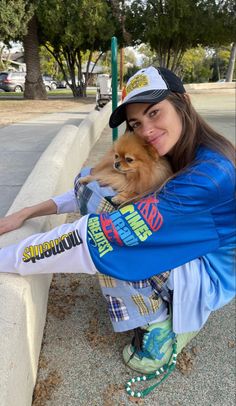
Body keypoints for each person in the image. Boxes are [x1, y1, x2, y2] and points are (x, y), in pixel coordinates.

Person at [0, 67, 235, 396]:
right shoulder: (180, 148)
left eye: (155, 113)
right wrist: (28, 212)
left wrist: (9, 257)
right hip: (191, 246)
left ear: (183, 102)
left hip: (206, 275)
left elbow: (95, 237)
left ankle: (165, 328)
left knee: (111, 229)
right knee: (99, 189)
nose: (146, 130)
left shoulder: (208, 175)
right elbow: (90, 184)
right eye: (137, 123)